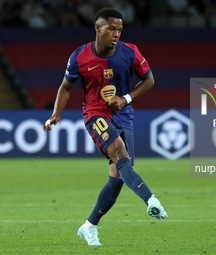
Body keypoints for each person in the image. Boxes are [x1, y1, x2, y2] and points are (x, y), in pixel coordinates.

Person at [43, 7, 167, 246]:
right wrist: (56, 114)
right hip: (95, 113)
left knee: (119, 175)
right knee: (120, 153)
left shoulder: (130, 52)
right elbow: (66, 87)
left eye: (119, 29)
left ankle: (89, 226)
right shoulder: (79, 56)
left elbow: (149, 80)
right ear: (98, 28)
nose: (116, 34)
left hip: (123, 114)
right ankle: (151, 200)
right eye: (112, 28)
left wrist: (126, 98)